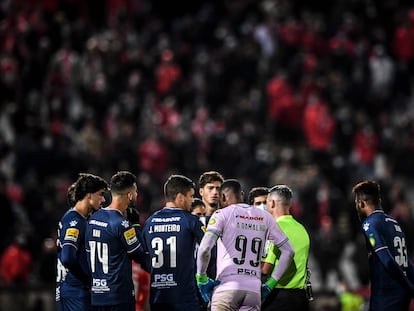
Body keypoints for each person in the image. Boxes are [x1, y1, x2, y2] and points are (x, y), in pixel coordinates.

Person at [196, 179, 295, 311]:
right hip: (253, 290)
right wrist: (271, 283)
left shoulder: (222, 214)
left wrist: (201, 277)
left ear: (223, 197)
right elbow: (289, 251)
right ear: (241, 195)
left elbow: (204, 249)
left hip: (227, 287)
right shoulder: (265, 217)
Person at [85, 171, 148, 311]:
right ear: (130, 195)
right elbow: (140, 254)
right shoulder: (121, 224)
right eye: (136, 191)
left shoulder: (93, 219)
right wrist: (136, 225)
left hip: (97, 297)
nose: (137, 195)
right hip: (118, 297)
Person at [141, 174, 205, 311]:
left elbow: (142, 257)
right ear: (180, 197)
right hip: (184, 298)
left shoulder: (150, 222)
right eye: (191, 196)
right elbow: (209, 248)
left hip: (158, 297)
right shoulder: (190, 221)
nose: (192, 201)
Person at [351, 180, 414, 311]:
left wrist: (407, 284)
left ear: (361, 203)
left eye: (356, 203)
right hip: (402, 294)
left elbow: (385, 257)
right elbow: (406, 261)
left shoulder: (370, 224)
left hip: (386, 293)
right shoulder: (394, 223)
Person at [56, 173, 109, 311]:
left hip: (74, 291)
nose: (103, 199)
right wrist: (88, 280)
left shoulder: (78, 219)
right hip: (75, 292)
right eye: (101, 194)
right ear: (89, 195)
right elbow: (67, 257)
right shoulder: (74, 221)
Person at [261, 185, 312, 311]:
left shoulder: (274, 229)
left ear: (272, 203)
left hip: (278, 297)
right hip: (301, 298)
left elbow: (265, 269)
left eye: (266, 202)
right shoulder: (302, 229)